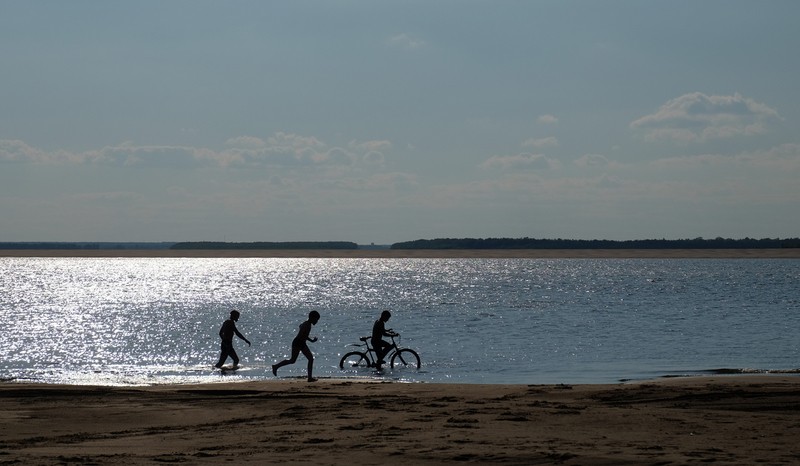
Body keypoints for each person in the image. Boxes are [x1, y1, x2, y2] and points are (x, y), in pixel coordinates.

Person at [272, 310, 320, 382]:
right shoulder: (307, 325)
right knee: (310, 359)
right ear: (312, 318)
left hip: (299, 342)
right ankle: (309, 378)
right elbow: (304, 335)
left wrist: (307, 337)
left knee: (293, 360)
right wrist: (312, 340)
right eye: (316, 319)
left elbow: (300, 326)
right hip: (299, 342)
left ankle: (276, 366)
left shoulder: (306, 323)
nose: (317, 321)